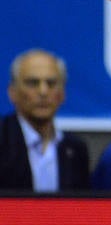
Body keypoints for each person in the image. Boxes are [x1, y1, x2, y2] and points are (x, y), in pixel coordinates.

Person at [1, 48, 90, 192]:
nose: (43, 92)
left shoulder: (75, 150)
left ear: (62, 94)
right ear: (12, 92)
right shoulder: (3, 140)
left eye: (51, 83)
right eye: (33, 83)